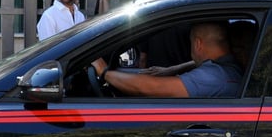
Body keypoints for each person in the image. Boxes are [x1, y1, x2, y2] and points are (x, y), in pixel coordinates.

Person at [91, 21, 242, 98]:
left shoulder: (213, 77)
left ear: (197, 44)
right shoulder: (229, 67)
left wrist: (104, 71)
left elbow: (152, 87)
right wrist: (174, 69)